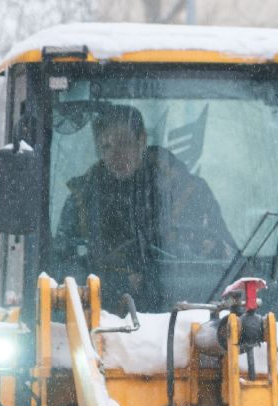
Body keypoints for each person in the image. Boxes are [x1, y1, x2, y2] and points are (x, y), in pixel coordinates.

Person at [57, 105, 236, 310]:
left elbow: (222, 261)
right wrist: (121, 282)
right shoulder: (83, 200)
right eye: (106, 146)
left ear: (141, 140)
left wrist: (159, 273)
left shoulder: (188, 193)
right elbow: (63, 269)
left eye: (124, 143)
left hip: (184, 318)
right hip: (103, 322)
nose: (116, 154)